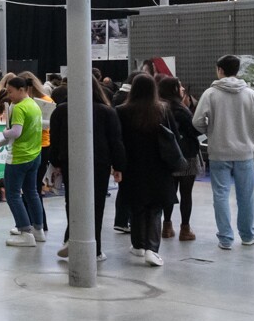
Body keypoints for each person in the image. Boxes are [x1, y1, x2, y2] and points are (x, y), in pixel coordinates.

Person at [192, 55, 254, 249]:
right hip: (244, 153)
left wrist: (211, 130)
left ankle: (225, 239)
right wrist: (246, 129)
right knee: (246, 197)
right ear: (237, 70)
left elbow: (197, 121)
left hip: (219, 152)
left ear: (220, 70)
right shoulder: (250, 94)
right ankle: (248, 236)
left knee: (221, 195)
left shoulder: (210, 94)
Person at [49, 76, 125, 261]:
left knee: (72, 202)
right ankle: (95, 249)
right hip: (99, 162)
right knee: (97, 205)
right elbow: (115, 141)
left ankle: (72, 238)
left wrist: (56, 163)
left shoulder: (61, 110)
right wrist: (118, 166)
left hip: (69, 161)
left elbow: (54, 140)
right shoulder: (107, 111)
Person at [114, 73, 181, 267]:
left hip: (132, 166)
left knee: (136, 206)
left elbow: (118, 141)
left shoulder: (121, 111)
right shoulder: (163, 109)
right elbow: (174, 136)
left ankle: (138, 245)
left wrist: (117, 166)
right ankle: (152, 249)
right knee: (155, 208)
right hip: (159, 166)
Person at [0, 73, 45, 246]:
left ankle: (25, 231)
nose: (9, 96)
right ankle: (38, 230)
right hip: (34, 156)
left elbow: (15, 132)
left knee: (13, 195)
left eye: (11, 92)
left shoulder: (19, 108)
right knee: (32, 192)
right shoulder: (34, 105)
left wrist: (3, 133)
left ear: (22, 90)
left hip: (19, 158)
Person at [159, 75, 200, 242]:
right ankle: (185, 228)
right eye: (180, 86)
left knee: (169, 192)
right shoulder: (181, 110)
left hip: (167, 156)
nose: (183, 89)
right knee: (186, 194)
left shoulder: (159, 108)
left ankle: (166, 226)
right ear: (174, 89)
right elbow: (195, 131)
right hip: (187, 155)